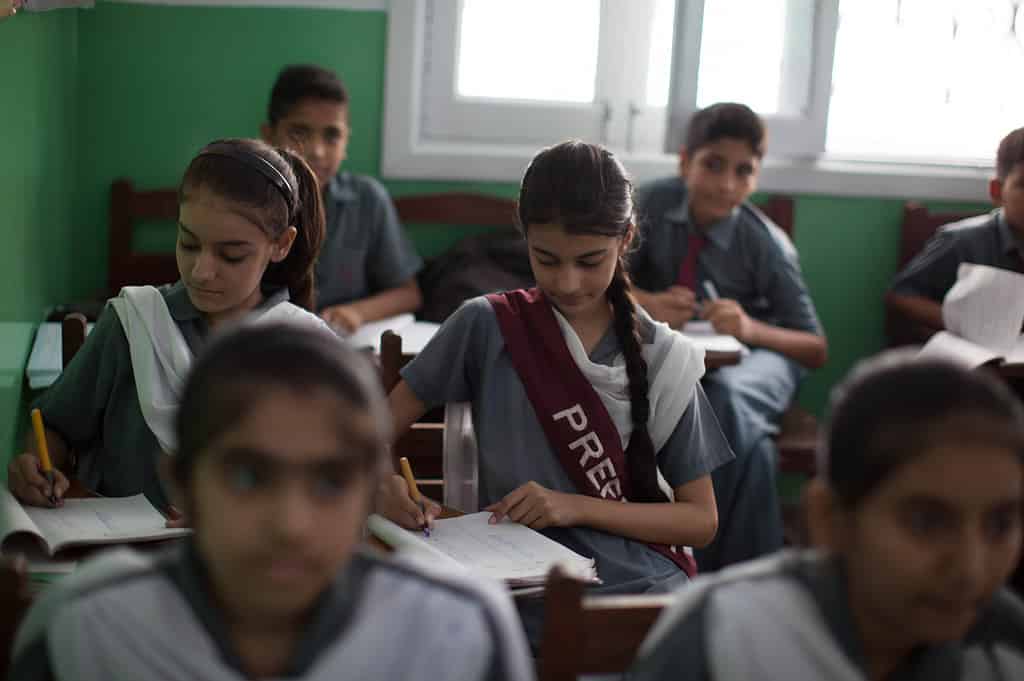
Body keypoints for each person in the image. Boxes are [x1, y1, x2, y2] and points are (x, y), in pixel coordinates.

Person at [9, 323, 534, 681]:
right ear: (182, 481)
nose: (290, 525)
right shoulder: (86, 632)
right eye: (247, 475)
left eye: (330, 482)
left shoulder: (460, 632)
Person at [378, 140, 733, 646]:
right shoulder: (486, 325)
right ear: (524, 239)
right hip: (510, 583)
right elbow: (369, 433)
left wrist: (575, 506)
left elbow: (700, 521)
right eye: (547, 260)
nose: (567, 282)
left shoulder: (664, 356)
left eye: (590, 261)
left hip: (635, 586)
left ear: (626, 239)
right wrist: (381, 482)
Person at [630, 351, 1024, 680]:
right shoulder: (722, 637)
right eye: (926, 523)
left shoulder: (1006, 646)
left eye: (1000, 524)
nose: (970, 569)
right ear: (829, 518)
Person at [7, 138, 330, 512]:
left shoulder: (307, 349)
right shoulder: (133, 322)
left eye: (231, 255)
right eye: (188, 244)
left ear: (281, 244)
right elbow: (54, 426)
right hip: (120, 551)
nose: (202, 270)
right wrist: (36, 464)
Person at [629, 102, 827, 570]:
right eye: (712, 165)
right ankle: (752, 574)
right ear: (684, 162)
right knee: (752, 450)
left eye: (744, 172)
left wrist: (750, 327)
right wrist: (648, 302)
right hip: (692, 360)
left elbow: (814, 347)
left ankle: (690, 560)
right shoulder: (649, 204)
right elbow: (607, 277)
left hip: (763, 361)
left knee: (725, 400)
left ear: (756, 178)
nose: (726, 184)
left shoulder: (766, 243)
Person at [261, 64, 423, 332]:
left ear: (346, 140)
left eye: (332, 135)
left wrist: (357, 312)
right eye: (299, 132)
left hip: (342, 346)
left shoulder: (368, 200)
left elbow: (409, 293)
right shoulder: (249, 200)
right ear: (269, 135)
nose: (317, 151)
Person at [887, 126, 1024, 334]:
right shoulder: (962, 241)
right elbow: (901, 295)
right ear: (997, 191)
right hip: (978, 353)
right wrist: (962, 323)